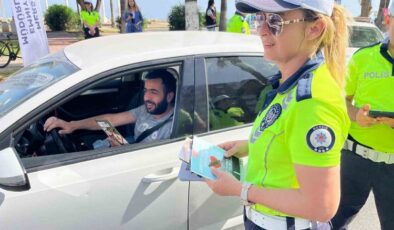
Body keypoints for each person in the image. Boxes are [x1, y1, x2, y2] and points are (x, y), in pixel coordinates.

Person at [205, 0, 350, 229]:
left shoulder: (312, 102)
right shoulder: (291, 81)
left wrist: (240, 189)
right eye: (260, 18)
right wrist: (250, 144)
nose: (261, 29)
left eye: (275, 21)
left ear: (315, 28)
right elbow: (288, 135)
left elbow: (321, 206)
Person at [331, 1, 394, 229]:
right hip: (355, 159)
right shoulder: (362, 58)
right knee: (333, 222)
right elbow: (342, 99)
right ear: (388, 20)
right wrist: (356, 114)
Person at [43, 69, 176, 146]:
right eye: (145, 90)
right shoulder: (145, 109)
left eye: (153, 92)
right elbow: (110, 120)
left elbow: (156, 164)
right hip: (130, 145)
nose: (146, 97)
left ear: (169, 97)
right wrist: (72, 125)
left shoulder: (174, 126)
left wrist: (123, 150)